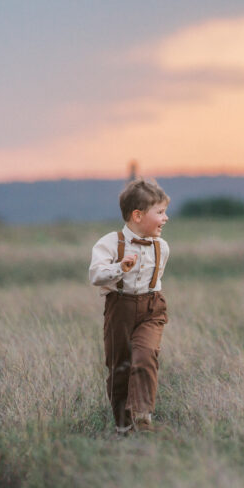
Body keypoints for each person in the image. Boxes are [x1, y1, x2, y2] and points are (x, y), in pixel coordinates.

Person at [88, 179, 170, 435]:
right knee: (120, 367)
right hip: (119, 309)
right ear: (137, 215)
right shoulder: (110, 243)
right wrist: (119, 268)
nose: (165, 218)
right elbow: (96, 275)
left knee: (146, 355)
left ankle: (143, 416)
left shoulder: (162, 248)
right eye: (160, 212)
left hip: (151, 308)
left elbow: (155, 281)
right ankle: (123, 426)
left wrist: (152, 304)